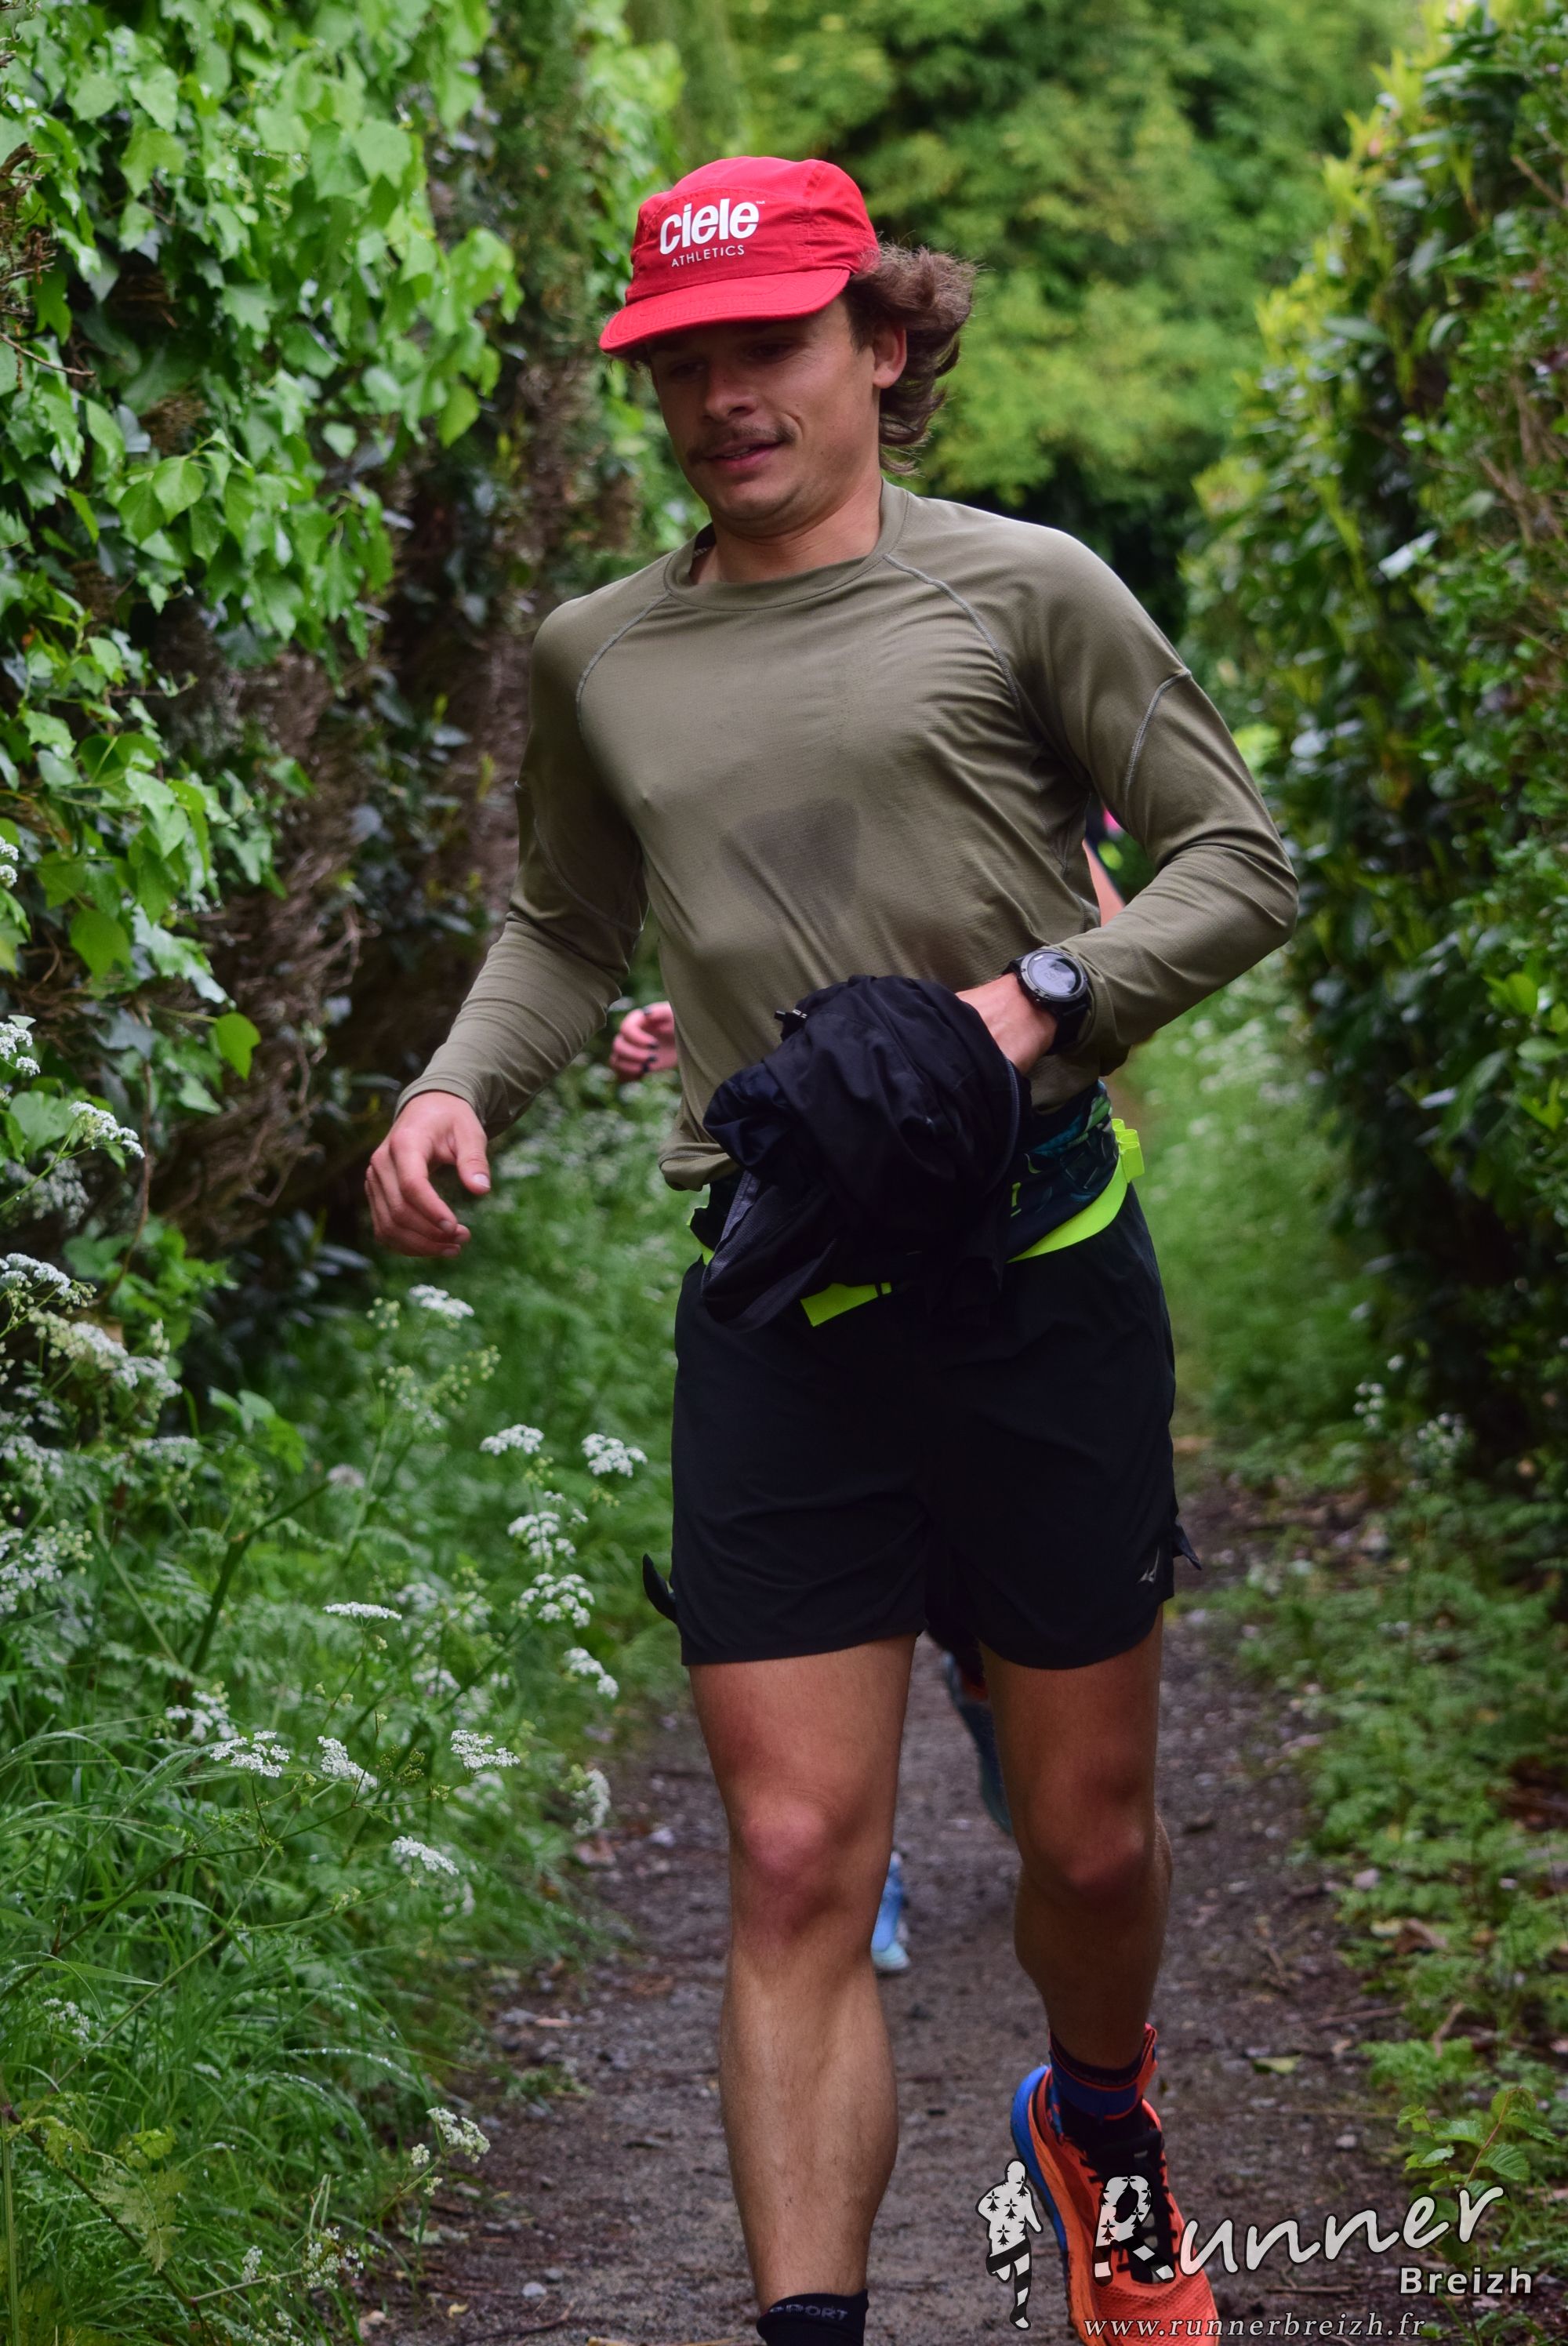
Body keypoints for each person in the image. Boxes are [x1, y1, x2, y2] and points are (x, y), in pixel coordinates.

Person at [366, 152, 1298, 2346]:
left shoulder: (1029, 591)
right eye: (681, 363)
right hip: (781, 1310)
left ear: (884, 341)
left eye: (771, 346)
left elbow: (1235, 860)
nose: (725, 399)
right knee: (795, 1860)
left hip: (1042, 1275)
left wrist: (1047, 998)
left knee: (1087, 1842)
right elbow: (564, 923)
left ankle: (1100, 2119)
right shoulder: (601, 654)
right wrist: (453, 1087)